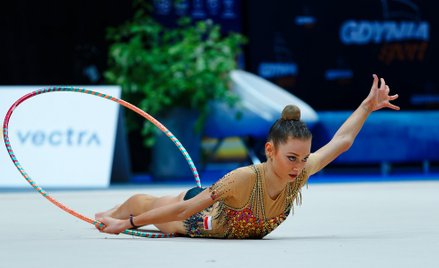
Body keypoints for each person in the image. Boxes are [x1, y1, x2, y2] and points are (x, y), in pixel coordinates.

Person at [95, 74, 399, 238]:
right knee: (146, 205)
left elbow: (342, 141)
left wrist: (366, 107)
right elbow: (183, 211)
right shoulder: (241, 179)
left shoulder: (301, 173)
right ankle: (109, 215)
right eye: (291, 158)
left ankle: (114, 217)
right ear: (270, 150)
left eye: (304, 158)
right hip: (193, 219)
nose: (299, 166)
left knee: (146, 209)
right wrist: (129, 223)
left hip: (206, 214)